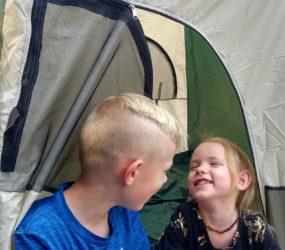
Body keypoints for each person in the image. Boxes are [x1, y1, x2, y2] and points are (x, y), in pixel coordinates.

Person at [14, 93, 182, 249]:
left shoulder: (124, 214)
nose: (164, 180)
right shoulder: (38, 235)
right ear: (132, 173)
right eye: (163, 171)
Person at [154, 137, 280, 250]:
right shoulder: (184, 217)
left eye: (214, 163)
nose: (200, 169)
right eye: (193, 167)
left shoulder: (255, 226)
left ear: (241, 181)